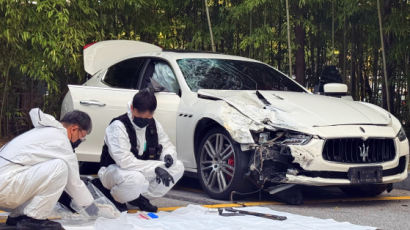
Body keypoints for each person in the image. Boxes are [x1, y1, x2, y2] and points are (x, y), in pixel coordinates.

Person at [0, 109, 104, 229]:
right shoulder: (61, 140)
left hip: (6, 185)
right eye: (82, 137)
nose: (80, 141)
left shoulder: (45, 132)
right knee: (60, 167)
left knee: (45, 171)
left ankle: (17, 217)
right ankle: (32, 219)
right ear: (74, 129)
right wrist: (93, 210)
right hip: (6, 188)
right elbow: (74, 183)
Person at [96, 88, 184, 212]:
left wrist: (168, 156)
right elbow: (125, 161)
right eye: (140, 116)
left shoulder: (154, 124)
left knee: (178, 167)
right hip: (114, 172)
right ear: (132, 108)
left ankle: (137, 198)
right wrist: (156, 168)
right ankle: (114, 196)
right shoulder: (118, 126)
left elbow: (166, 144)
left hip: (142, 171)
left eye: (147, 117)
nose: (144, 120)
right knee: (135, 179)